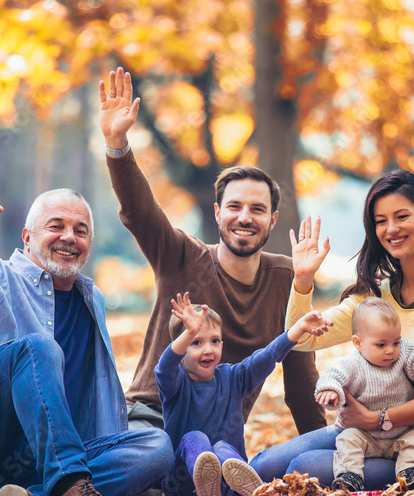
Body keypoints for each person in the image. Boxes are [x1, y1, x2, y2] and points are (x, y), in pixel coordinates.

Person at [0, 164, 174, 496]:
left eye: (81, 231)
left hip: (29, 469)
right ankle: (70, 492)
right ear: (27, 237)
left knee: (156, 446)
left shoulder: (92, 302)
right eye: (56, 226)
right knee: (37, 349)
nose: (69, 237)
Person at [98, 68, 326, 445]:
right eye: (234, 206)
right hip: (153, 421)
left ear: (272, 219)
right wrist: (117, 145)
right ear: (218, 213)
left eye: (256, 209)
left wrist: (324, 449)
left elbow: (301, 383)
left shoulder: (288, 277)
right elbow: (140, 212)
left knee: (287, 462)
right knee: (154, 455)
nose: (244, 217)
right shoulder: (181, 256)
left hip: (218, 438)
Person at [250, 171, 414, 492]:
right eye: (381, 221)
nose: (391, 229)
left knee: (301, 469)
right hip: (364, 432)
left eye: (402, 216)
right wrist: (302, 280)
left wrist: (376, 419)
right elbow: (304, 339)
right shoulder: (378, 293)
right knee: (263, 465)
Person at [157, 293, 332, 496]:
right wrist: (188, 332)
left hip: (227, 480)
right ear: (181, 348)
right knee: (195, 438)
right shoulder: (175, 384)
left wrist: (298, 328)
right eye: (195, 342)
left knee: (222, 448)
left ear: (222, 344)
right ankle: (205, 481)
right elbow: (164, 368)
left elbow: (266, 357)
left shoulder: (232, 378)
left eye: (214, 341)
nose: (208, 350)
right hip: (181, 483)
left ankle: (237, 491)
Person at [316, 298, 414, 493]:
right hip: (365, 436)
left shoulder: (404, 352)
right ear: (358, 343)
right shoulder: (353, 363)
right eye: (381, 345)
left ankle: (410, 472)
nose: (390, 350)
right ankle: (350, 476)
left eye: (395, 342)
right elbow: (332, 376)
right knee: (348, 438)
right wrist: (329, 390)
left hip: (401, 433)